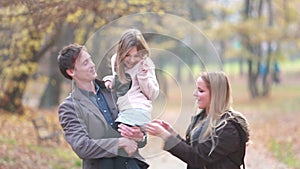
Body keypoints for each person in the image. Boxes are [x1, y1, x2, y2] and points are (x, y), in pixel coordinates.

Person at [57, 43, 149, 169]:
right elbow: (82, 146)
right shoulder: (69, 108)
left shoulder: (114, 89)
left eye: (90, 60)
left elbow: (137, 126)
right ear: (71, 71)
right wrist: (120, 143)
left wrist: (140, 136)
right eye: (85, 63)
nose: (92, 65)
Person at [146, 71, 250, 169]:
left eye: (201, 90)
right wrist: (171, 133)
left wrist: (165, 135)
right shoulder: (202, 119)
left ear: (215, 94)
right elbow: (193, 150)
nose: (195, 94)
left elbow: (198, 158)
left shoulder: (228, 128)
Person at [103, 29, 159, 128]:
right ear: (121, 52)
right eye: (127, 55)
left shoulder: (146, 63)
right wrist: (110, 80)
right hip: (123, 109)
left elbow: (152, 94)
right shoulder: (116, 60)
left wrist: (143, 76)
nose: (132, 60)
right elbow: (120, 82)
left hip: (139, 109)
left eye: (136, 56)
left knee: (121, 135)